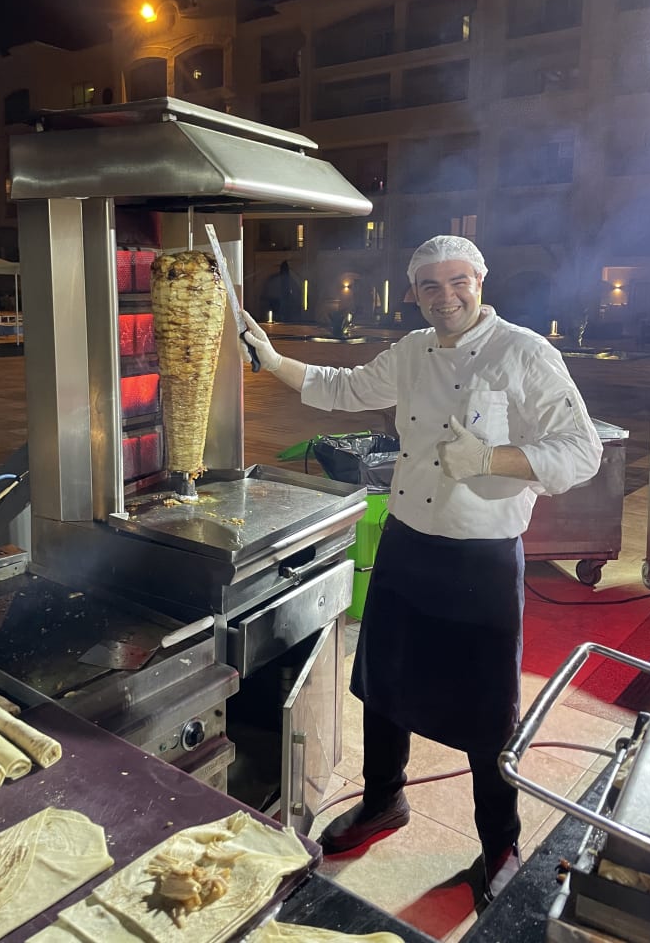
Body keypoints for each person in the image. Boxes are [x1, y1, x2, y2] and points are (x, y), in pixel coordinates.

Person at [239, 234, 602, 903]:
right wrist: (273, 358)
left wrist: (491, 461)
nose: (446, 296)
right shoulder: (411, 351)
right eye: (430, 285)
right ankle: (384, 801)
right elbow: (343, 388)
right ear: (414, 293)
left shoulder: (524, 353)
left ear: (481, 281)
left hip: (482, 553)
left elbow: (581, 452)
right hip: (407, 540)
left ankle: (500, 844)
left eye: (458, 281)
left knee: (488, 711)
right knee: (385, 684)